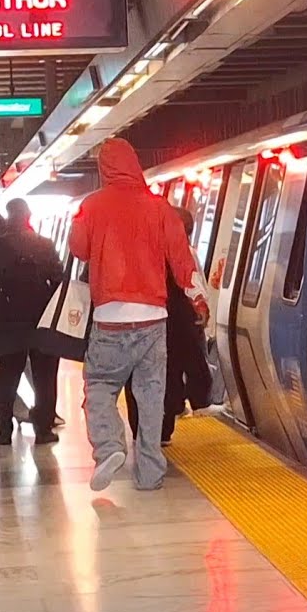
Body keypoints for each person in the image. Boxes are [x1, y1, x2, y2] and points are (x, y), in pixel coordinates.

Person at [69, 138, 209, 492]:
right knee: (151, 395)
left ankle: (109, 447)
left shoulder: (91, 205)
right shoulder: (159, 207)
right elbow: (181, 258)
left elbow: (79, 249)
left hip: (109, 315)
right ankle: (149, 473)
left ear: (104, 168)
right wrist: (198, 298)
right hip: (153, 317)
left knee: (100, 385)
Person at [125, 205, 213, 446]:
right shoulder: (183, 253)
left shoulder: (136, 248)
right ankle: (162, 429)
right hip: (171, 323)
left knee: (139, 375)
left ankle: (141, 428)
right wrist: (200, 309)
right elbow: (194, 285)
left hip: (137, 322)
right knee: (169, 371)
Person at [0, 199, 65, 446]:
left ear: (8, 216)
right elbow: (58, 279)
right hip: (41, 318)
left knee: (7, 375)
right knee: (45, 376)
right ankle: (43, 430)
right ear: (28, 215)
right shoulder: (44, 244)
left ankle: (4, 430)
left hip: (7, 320)